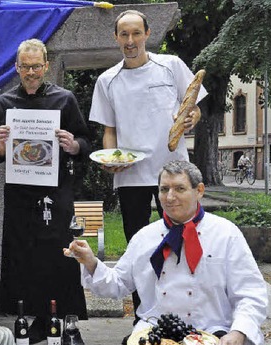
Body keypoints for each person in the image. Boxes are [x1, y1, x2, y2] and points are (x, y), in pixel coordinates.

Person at [67, 160, 268, 345]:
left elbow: (250, 292)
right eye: (164, 189)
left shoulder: (226, 234)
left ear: (199, 191)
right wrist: (91, 262)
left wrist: (239, 332)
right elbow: (117, 284)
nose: (170, 197)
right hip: (153, 338)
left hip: (211, 338)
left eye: (179, 188)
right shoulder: (144, 237)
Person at [89, 9, 208, 324]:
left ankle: (187, 316)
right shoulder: (107, 80)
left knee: (185, 241)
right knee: (139, 252)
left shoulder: (170, 67)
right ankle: (145, 319)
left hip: (174, 173)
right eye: (124, 35)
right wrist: (109, 158)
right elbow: (109, 131)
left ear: (147, 34)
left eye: (136, 33)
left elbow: (191, 107)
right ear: (116, 38)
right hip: (131, 176)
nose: (130, 41)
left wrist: (191, 117)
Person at [0, 38, 91, 344]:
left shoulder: (65, 99)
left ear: (45, 66)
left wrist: (73, 145)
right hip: (20, 194)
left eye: (36, 66)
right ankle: (39, 320)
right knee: (25, 257)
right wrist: (2, 146)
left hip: (56, 192)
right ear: (17, 67)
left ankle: (68, 323)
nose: (31, 72)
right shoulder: (4, 104)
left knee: (61, 257)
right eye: (25, 67)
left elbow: (84, 142)